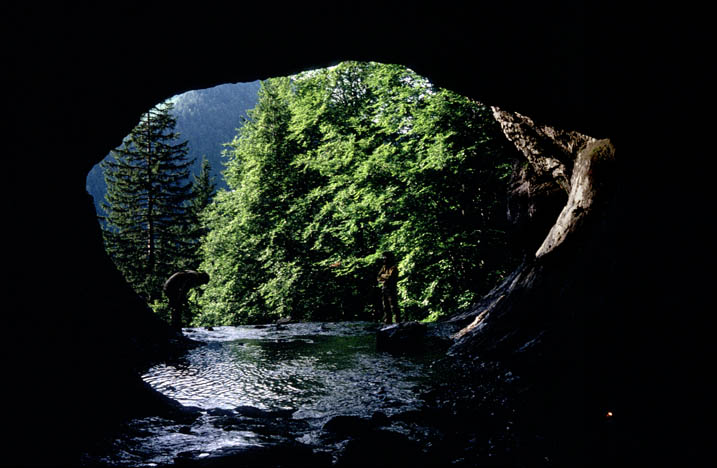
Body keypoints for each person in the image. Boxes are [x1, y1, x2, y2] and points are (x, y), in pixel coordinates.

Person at [377, 251, 400, 323]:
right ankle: (387, 321)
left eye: (385, 259)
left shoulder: (393, 268)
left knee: (393, 306)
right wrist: (384, 277)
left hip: (391, 288)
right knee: (385, 306)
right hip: (385, 288)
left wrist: (383, 276)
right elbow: (378, 277)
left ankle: (397, 321)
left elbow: (390, 277)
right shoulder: (384, 267)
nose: (384, 260)